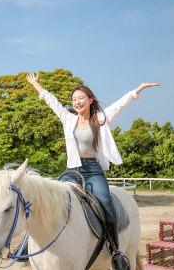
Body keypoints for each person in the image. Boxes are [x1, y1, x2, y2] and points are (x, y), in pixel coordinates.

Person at [26, 72, 160, 268]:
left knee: (105, 202)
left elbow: (119, 105)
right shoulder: (68, 119)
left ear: (90, 100)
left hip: (93, 169)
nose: (77, 101)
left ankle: (115, 251)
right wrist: (36, 85)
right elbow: (52, 101)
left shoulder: (100, 119)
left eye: (81, 98)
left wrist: (137, 90)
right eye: (74, 99)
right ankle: (26, 247)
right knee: (50, 201)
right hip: (72, 169)